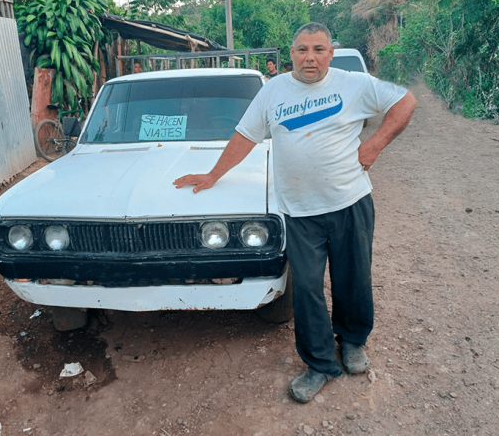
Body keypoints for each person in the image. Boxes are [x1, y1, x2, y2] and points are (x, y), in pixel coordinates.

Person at [173, 22, 416, 403]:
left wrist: (375, 145)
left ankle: (353, 341)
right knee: (306, 288)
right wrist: (213, 174)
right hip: (300, 211)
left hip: (350, 202)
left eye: (319, 49)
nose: (310, 58)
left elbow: (405, 102)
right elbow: (245, 136)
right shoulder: (273, 91)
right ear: (291, 54)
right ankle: (320, 363)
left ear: (331, 53)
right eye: (303, 49)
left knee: (353, 279)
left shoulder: (354, 84)